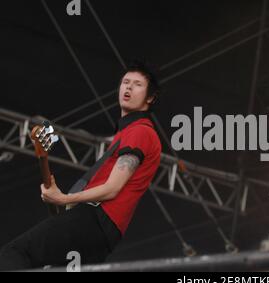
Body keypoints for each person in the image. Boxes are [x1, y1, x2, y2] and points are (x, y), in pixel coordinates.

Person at [0, 61, 162, 270]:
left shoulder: (140, 131)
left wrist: (64, 198)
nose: (128, 87)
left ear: (150, 97)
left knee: (15, 253)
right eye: (125, 82)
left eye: (137, 84)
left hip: (93, 220)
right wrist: (64, 201)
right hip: (103, 235)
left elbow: (112, 189)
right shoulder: (127, 133)